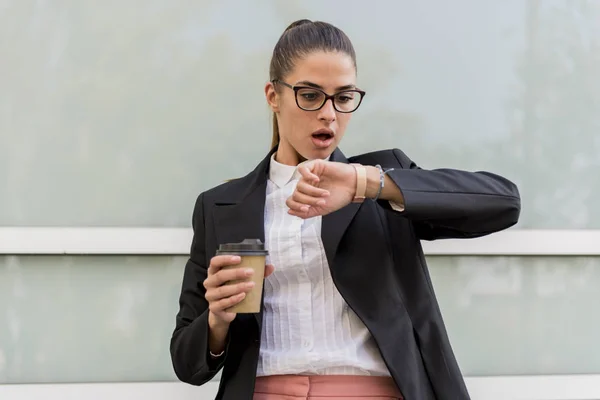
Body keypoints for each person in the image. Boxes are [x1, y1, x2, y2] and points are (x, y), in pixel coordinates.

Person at [170, 19, 520, 400]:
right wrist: (218, 320)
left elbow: (504, 202)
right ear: (273, 96)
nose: (329, 114)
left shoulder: (381, 182)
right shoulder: (221, 206)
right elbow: (186, 363)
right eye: (310, 95)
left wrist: (366, 183)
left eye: (343, 96)